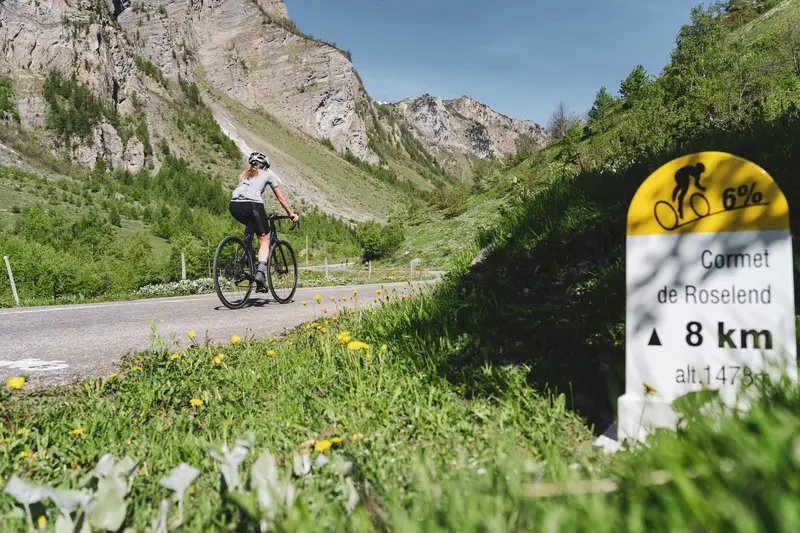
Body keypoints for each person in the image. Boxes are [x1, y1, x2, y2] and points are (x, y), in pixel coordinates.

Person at [229, 151, 299, 289]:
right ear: (265, 165)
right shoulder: (268, 174)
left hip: (234, 206)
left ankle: (246, 259)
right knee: (264, 240)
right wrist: (291, 213)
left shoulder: (243, 175)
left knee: (250, 231)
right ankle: (260, 272)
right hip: (253, 205)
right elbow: (280, 198)